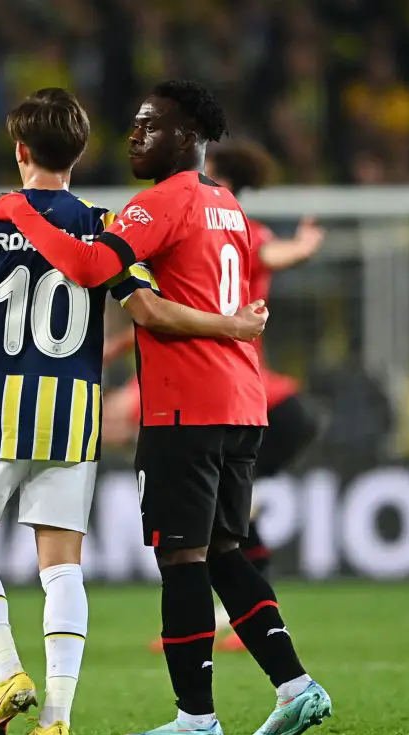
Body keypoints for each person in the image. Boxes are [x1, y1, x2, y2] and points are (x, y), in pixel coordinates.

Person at [0, 80, 332, 735]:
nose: (135, 136)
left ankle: (195, 719)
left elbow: (88, 267)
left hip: (185, 408)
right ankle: (296, 687)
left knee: (183, 557)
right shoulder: (225, 205)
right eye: (135, 126)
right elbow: (161, 296)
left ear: (188, 138)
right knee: (228, 553)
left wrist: (23, 214)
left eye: (149, 126)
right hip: (242, 401)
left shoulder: (158, 204)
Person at [0, 88, 269, 735]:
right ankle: (56, 719)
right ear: (79, 154)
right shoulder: (105, 224)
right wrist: (232, 326)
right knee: (62, 567)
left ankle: (5, 672)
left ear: (20, 151)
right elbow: (147, 307)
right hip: (75, 411)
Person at [142, 139, 326, 654]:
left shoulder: (224, 221)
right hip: (253, 396)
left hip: (249, 399)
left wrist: (301, 249)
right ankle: (236, 622)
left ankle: (232, 623)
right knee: (232, 517)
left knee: (225, 521)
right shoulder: (222, 222)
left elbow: (270, 251)